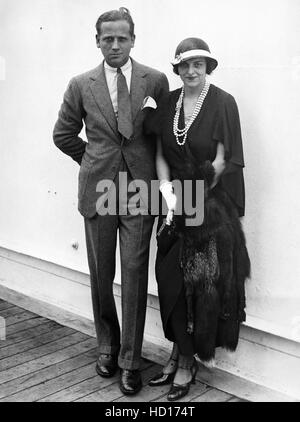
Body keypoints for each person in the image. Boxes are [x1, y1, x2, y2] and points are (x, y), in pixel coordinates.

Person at [53, 7, 169, 395]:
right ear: (97, 40)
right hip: (99, 189)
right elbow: (63, 134)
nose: (115, 44)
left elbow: (161, 136)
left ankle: (131, 362)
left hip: (140, 190)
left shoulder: (155, 81)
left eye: (122, 38)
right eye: (108, 38)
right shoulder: (80, 84)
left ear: (133, 39)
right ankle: (107, 345)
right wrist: (91, 159)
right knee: (102, 274)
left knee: (134, 275)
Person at [146, 38, 250, 401]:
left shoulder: (223, 102)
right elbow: (160, 151)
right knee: (169, 280)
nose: (192, 71)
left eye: (199, 65)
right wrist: (165, 191)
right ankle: (178, 352)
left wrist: (193, 196)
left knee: (198, 288)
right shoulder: (170, 103)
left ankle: (187, 363)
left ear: (207, 68)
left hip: (209, 206)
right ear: (177, 68)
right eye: (186, 65)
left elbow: (222, 160)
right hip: (173, 204)